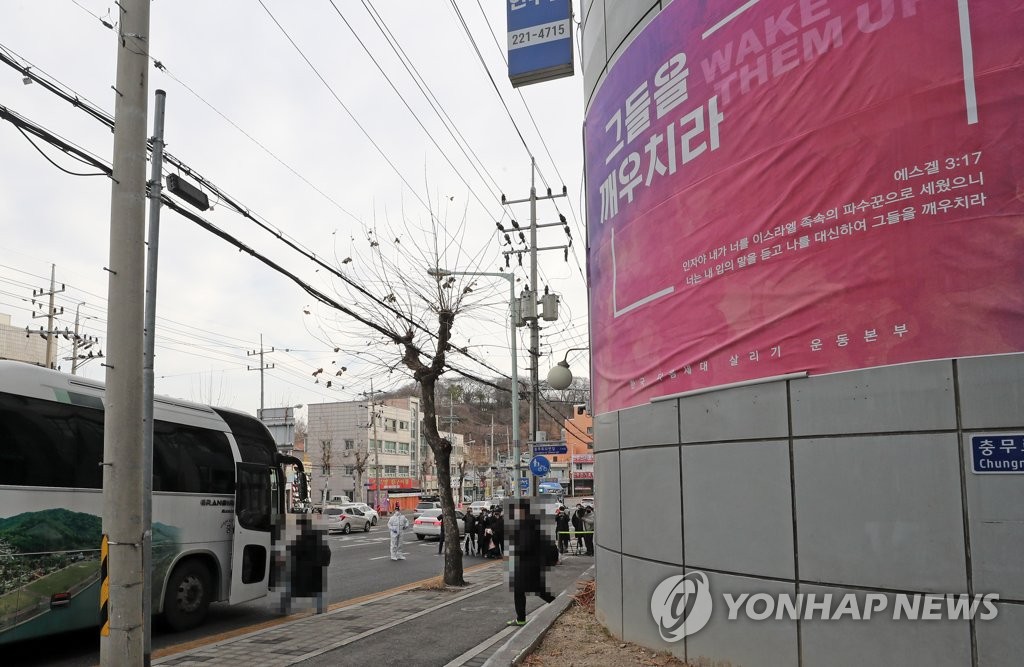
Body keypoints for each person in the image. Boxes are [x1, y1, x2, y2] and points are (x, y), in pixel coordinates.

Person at [506, 499, 557, 627]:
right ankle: (558, 606)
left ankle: (521, 618)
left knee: (521, 590)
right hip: (533, 563)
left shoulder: (526, 524)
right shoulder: (533, 522)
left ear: (522, 510)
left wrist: (515, 550)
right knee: (537, 589)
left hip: (527, 563)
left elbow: (526, 545)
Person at [283, 515, 331, 614]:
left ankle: (286, 606)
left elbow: (294, 551)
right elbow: (326, 550)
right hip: (318, 566)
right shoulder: (318, 535)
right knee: (318, 588)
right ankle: (320, 609)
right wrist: (325, 563)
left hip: (308, 567)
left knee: (295, 585)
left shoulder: (302, 537)